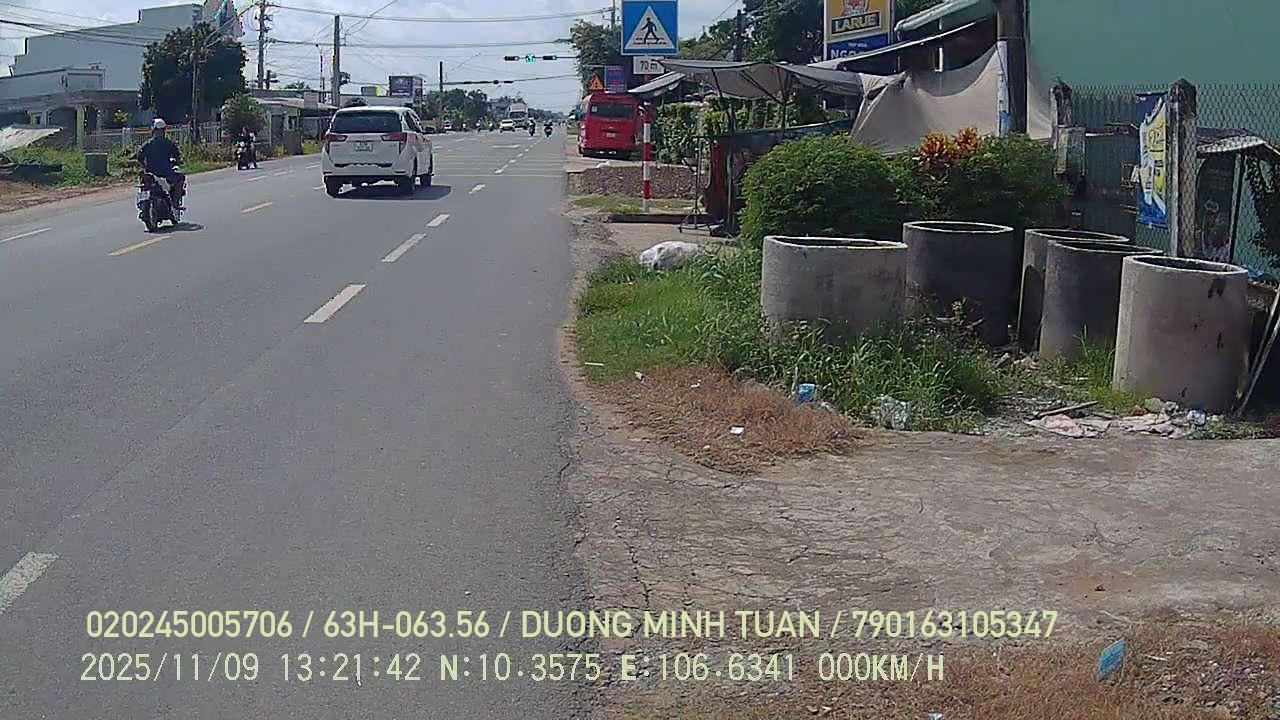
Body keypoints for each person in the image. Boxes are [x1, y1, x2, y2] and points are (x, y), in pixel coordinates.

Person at [136, 118, 185, 207]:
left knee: (143, 181)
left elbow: (139, 157)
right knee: (180, 178)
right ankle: (175, 203)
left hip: (151, 173)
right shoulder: (168, 143)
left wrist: (144, 167)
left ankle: (173, 203)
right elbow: (177, 156)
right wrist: (178, 162)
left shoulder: (148, 144)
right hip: (166, 174)